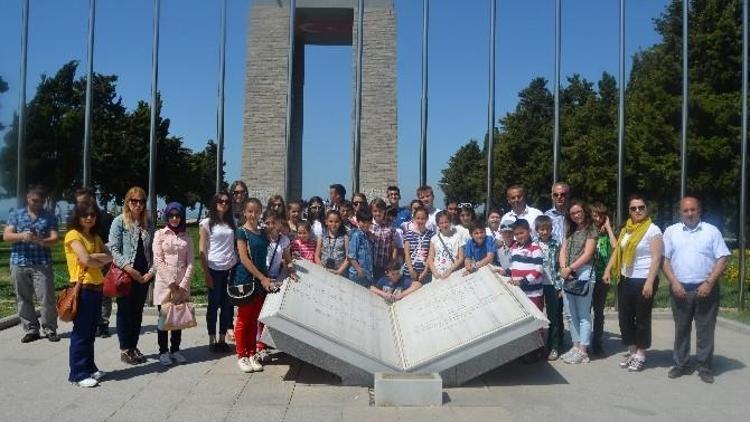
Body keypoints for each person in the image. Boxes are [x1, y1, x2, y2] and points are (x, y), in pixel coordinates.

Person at [663, 197, 730, 384]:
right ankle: (681, 364)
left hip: (706, 288)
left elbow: (723, 258)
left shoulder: (711, 231)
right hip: (680, 289)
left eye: (693, 210)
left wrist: (709, 283)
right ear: (680, 212)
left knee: (705, 329)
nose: (690, 213)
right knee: (681, 329)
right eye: (686, 210)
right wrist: (674, 282)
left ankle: (705, 366)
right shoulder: (671, 232)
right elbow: (665, 260)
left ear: (699, 211)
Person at [603, 194, 663, 372]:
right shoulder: (626, 229)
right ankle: (632, 351)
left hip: (644, 279)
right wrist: (608, 270)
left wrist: (650, 282)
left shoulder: (653, 230)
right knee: (625, 318)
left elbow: (656, 258)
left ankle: (641, 354)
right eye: (633, 208)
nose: (637, 211)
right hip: (625, 279)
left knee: (642, 319)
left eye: (641, 207)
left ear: (647, 208)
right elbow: (617, 251)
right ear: (629, 211)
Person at [64, 200, 112, 387]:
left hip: (97, 288)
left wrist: (94, 258)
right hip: (82, 288)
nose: (89, 218)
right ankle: (78, 373)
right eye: (85, 214)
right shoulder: (72, 235)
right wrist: (93, 259)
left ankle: (90, 367)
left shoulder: (95, 237)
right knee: (81, 333)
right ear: (78, 216)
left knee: (91, 332)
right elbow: (85, 259)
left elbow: (109, 257)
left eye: (92, 214)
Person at [3, 186, 60, 343]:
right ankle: (31, 329)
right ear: (28, 198)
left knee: (46, 298)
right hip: (19, 262)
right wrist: (22, 235)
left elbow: (55, 238)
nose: (38, 204)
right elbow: (7, 235)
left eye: (41, 201)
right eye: (35, 201)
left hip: (41, 262)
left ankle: (50, 328)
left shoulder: (49, 216)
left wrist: (42, 240)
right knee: (23, 298)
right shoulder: (16, 214)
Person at [109, 186, 156, 365]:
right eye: (134, 201)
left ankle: (133, 345)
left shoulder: (148, 223)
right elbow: (113, 248)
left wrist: (150, 272)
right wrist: (129, 269)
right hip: (126, 273)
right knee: (124, 311)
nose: (138, 205)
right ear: (128, 202)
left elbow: (152, 250)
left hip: (144, 274)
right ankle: (125, 348)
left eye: (141, 201)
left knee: (137, 312)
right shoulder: (119, 222)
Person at [234, 198, 275, 373]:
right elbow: (244, 258)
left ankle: (251, 353)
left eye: (256, 211)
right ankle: (241, 355)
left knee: (254, 319)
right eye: (250, 211)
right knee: (244, 319)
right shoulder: (241, 232)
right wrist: (261, 277)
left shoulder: (262, 233)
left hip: (261, 281)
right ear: (244, 212)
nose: (253, 215)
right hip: (246, 280)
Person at [152, 202, 193, 366]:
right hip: (165, 284)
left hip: (182, 284)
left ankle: (175, 349)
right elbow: (158, 260)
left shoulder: (187, 237)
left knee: (178, 317)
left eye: (178, 215)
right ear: (166, 217)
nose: (174, 218)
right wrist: (171, 283)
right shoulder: (160, 234)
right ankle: (163, 351)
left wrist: (183, 284)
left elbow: (190, 262)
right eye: (171, 215)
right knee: (164, 318)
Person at [499, 219, 545, 362]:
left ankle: (538, 350)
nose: (519, 236)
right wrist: (505, 272)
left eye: (522, 233)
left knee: (536, 322)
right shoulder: (514, 248)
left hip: (533, 292)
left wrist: (523, 281)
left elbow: (539, 269)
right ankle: (525, 350)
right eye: (516, 234)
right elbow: (514, 266)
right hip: (519, 292)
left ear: (529, 232)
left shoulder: (535, 248)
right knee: (524, 323)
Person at [558, 200, 597, 364]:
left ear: (584, 211)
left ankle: (583, 350)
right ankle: (575, 347)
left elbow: (588, 254)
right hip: (568, 273)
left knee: (583, 314)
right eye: (573, 213)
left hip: (583, 272)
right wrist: (563, 268)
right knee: (570, 313)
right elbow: (563, 250)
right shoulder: (570, 230)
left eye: (579, 212)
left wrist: (570, 268)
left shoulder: (591, 229)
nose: (576, 215)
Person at [199, 191, 237, 354]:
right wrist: (206, 272)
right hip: (214, 268)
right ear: (215, 203)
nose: (224, 204)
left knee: (227, 306)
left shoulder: (232, 222)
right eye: (221, 201)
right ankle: (212, 338)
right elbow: (202, 248)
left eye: (227, 202)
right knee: (213, 306)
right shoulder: (206, 223)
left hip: (229, 268)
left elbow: (234, 244)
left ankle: (222, 338)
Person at [74, 187, 115, 338]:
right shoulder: (76, 220)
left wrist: (100, 257)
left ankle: (103, 323)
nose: (81, 206)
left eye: (83, 202)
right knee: (85, 294)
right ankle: (89, 321)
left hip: (102, 262)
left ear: (92, 200)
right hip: (82, 266)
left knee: (104, 293)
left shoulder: (106, 218)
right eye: (78, 203)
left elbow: (112, 242)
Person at [256, 212, 295, 362]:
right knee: (259, 314)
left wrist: (291, 270)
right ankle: (259, 347)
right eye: (268, 222)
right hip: (261, 278)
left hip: (275, 279)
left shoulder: (284, 240)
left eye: (274, 222)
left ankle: (265, 343)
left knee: (268, 314)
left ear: (280, 224)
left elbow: (288, 259)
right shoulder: (260, 237)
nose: (271, 226)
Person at [534, 215, 563, 361]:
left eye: (547, 229)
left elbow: (560, 265)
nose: (544, 232)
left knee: (554, 317)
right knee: (538, 317)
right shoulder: (533, 244)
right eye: (541, 229)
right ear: (537, 230)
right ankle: (538, 347)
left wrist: (561, 286)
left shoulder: (556, 244)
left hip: (553, 284)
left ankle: (554, 346)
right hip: (537, 284)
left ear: (551, 229)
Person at [590, 202, 617, 356]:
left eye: (601, 215)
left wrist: (608, 227)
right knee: (585, 312)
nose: (598, 218)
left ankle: (597, 342)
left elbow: (616, 247)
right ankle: (584, 342)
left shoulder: (607, 234)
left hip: (602, 276)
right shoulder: (589, 231)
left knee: (599, 312)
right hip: (588, 276)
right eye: (595, 215)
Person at [428, 210, 465, 280]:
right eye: (441, 223)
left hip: (453, 272)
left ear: (450, 222)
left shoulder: (458, 237)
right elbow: (430, 258)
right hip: (437, 274)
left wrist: (450, 270)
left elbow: (461, 258)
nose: (444, 225)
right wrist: (434, 272)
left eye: (446, 222)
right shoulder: (434, 239)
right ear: (437, 224)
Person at [402, 206, 434, 285]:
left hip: (424, 273)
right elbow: (406, 253)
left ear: (427, 219)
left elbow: (430, 255)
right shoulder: (409, 233)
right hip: (409, 273)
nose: (420, 220)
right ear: (414, 219)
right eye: (418, 218)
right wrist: (411, 270)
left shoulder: (431, 235)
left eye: (423, 218)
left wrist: (425, 271)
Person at [370, 198, 398, 280]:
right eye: (375, 211)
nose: (378, 213)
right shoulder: (368, 226)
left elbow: (394, 248)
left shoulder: (390, 227)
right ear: (371, 211)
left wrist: (392, 263)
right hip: (371, 265)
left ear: (384, 211)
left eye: (380, 211)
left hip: (385, 265)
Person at [315, 210, 349, 276]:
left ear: (340, 222)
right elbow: (317, 256)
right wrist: (322, 269)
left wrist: (339, 271)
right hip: (324, 271)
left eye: (336, 222)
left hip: (340, 273)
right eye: (331, 221)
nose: (334, 224)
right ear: (326, 222)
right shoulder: (321, 237)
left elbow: (348, 258)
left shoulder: (345, 237)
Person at [347, 209, 375, 287]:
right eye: (363, 222)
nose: (366, 225)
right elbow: (351, 256)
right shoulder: (356, 236)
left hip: (366, 274)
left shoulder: (367, 236)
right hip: (357, 274)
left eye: (368, 222)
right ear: (358, 221)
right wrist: (359, 269)